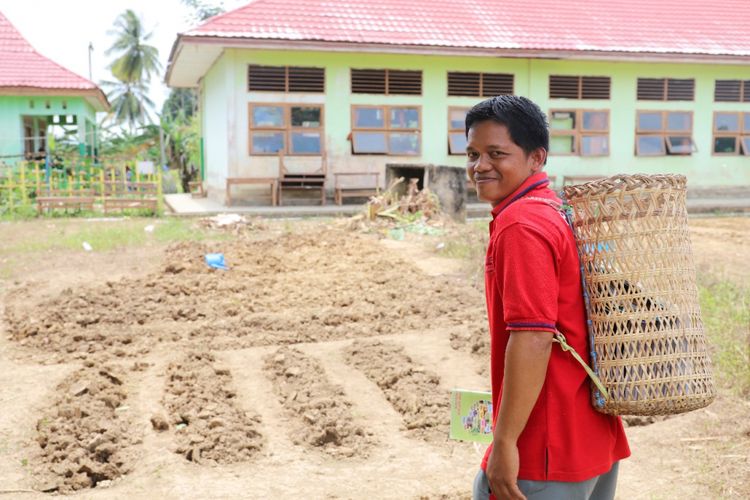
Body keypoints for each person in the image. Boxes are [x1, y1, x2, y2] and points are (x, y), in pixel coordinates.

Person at [465, 95, 630, 500]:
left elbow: (533, 337)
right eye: (472, 153)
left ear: (536, 158)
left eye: (496, 153)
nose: (479, 166)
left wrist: (504, 444)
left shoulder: (521, 224)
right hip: (589, 436)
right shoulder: (555, 209)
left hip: (543, 449)